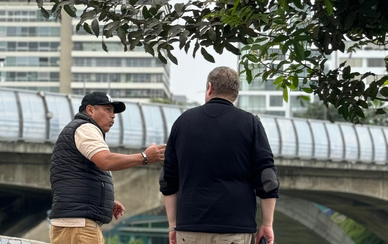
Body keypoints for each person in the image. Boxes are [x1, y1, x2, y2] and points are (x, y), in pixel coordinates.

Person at [160, 67, 279, 244]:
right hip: (235, 229)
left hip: (190, 229)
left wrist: (173, 225)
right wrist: (267, 224)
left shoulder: (183, 122)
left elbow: (168, 180)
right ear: (235, 94)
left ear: (209, 88)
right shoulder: (251, 124)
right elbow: (267, 179)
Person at [49, 92, 166, 244]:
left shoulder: (78, 129)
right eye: (108, 110)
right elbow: (105, 160)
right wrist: (144, 157)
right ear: (90, 110)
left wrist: (103, 200)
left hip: (73, 224)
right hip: (79, 227)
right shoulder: (85, 128)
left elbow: (72, 177)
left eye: (113, 112)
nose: (113, 116)